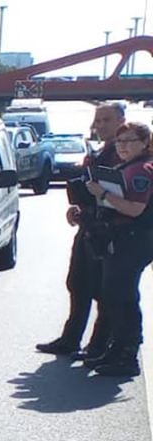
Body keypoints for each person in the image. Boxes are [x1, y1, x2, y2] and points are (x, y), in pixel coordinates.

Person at [38, 101, 125, 357]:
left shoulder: (123, 154)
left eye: (106, 120)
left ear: (121, 120)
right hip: (89, 225)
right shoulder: (100, 151)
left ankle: (99, 344)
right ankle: (71, 339)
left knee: (103, 290)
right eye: (98, 121)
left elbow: (118, 194)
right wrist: (78, 206)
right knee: (78, 283)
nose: (100, 125)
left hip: (111, 230)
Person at [84, 121, 153, 377]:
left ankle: (127, 354)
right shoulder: (128, 167)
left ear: (145, 143)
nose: (123, 146)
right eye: (119, 141)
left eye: (130, 141)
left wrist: (102, 194)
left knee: (121, 296)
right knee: (114, 294)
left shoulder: (141, 170)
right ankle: (118, 348)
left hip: (133, 239)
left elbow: (135, 208)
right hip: (123, 238)